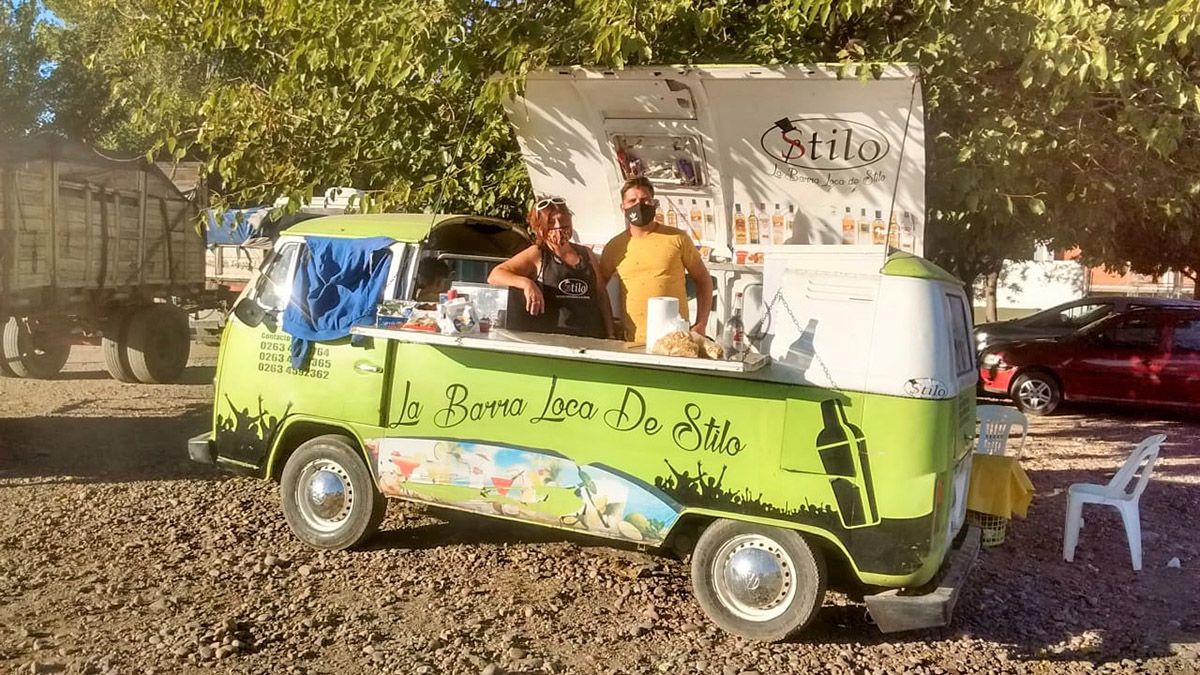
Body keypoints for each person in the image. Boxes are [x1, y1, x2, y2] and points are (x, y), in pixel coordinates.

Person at [600, 176, 713, 343]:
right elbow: (599, 289)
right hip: (633, 341)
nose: (639, 205)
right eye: (632, 201)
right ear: (623, 207)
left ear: (654, 203)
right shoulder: (615, 246)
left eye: (645, 200)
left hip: (675, 340)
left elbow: (703, 280)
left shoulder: (678, 238)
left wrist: (701, 324)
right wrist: (609, 328)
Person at [487, 196, 614, 339]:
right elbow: (495, 275)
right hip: (554, 340)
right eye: (552, 222)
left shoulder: (587, 254)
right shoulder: (538, 254)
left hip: (592, 338)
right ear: (540, 228)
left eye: (563, 220)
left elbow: (601, 295)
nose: (559, 226)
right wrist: (526, 283)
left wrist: (611, 334)